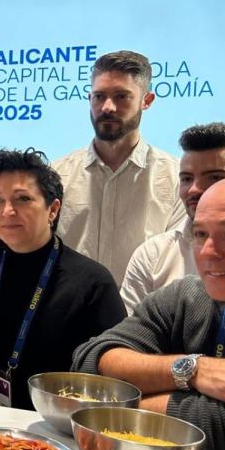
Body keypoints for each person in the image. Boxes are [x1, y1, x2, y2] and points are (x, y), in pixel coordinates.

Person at [73, 174, 225, 450]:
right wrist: (196, 371)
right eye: (200, 234)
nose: (209, 251)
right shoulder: (185, 296)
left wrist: (106, 411)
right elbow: (90, 363)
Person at [0, 149, 125, 410]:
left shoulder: (92, 283)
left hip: (57, 428)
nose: (7, 211)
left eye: (22, 199)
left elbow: (106, 376)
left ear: (53, 209)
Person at [52, 50, 184, 285]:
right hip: (70, 318)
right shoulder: (57, 175)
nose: (107, 107)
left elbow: (178, 266)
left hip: (146, 319)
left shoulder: (177, 179)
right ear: (89, 99)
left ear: (147, 101)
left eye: (122, 96)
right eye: (99, 96)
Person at [120, 123, 225, 314]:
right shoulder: (153, 255)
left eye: (214, 177)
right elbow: (126, 335)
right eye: (186, 178)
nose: (194, 189)